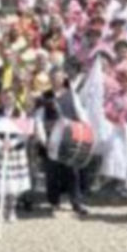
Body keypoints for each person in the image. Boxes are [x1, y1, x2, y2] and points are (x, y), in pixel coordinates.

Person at [35, 68, 91, 216]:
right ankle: (54, 202)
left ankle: (76, 202)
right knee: (52, 173)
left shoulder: (71, 94)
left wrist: (86, 127)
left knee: (72, 171)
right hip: (51, 139)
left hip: (69, 138)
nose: (56, 80)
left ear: (63, 79)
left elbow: (80, 112)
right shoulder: (44, 96)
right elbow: (39, 120)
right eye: (53, 77)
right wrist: (43, 139)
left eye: (58, 77)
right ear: (49, 79)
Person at [0, 88, 32, 222]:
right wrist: (0, 144)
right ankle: (2, 208)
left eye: (10, 97)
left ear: (15, 98)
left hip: (15, 152)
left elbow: (25, 134)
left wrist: (12, 143)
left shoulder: (20, 114)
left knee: (13, 184)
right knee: (2, 183)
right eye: (5, 97)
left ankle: (11, 210)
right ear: (1, 98)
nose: (7, 99)